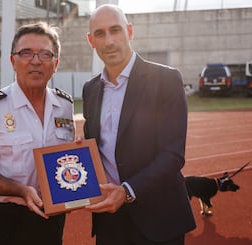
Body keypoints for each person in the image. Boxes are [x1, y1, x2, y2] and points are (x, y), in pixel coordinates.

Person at [82, 4, 196, 245]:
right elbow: (95, 149)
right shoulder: (90, 89)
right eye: (100, 34)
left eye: (116, 30)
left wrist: (127, 191)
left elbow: (173, 154)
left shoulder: (166, 79)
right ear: (91, 40)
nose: (109, 41)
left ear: (130, 32)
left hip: (159, 219)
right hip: (110, 220)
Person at [0, 22, 74, 245]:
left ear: (56, 64)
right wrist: (20, 190)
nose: (35, 61)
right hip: (7, 220)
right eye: (26, 53)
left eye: (45, 54)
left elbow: (65, 157)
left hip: (53, 216)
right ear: (13, 61)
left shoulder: (64, 105)